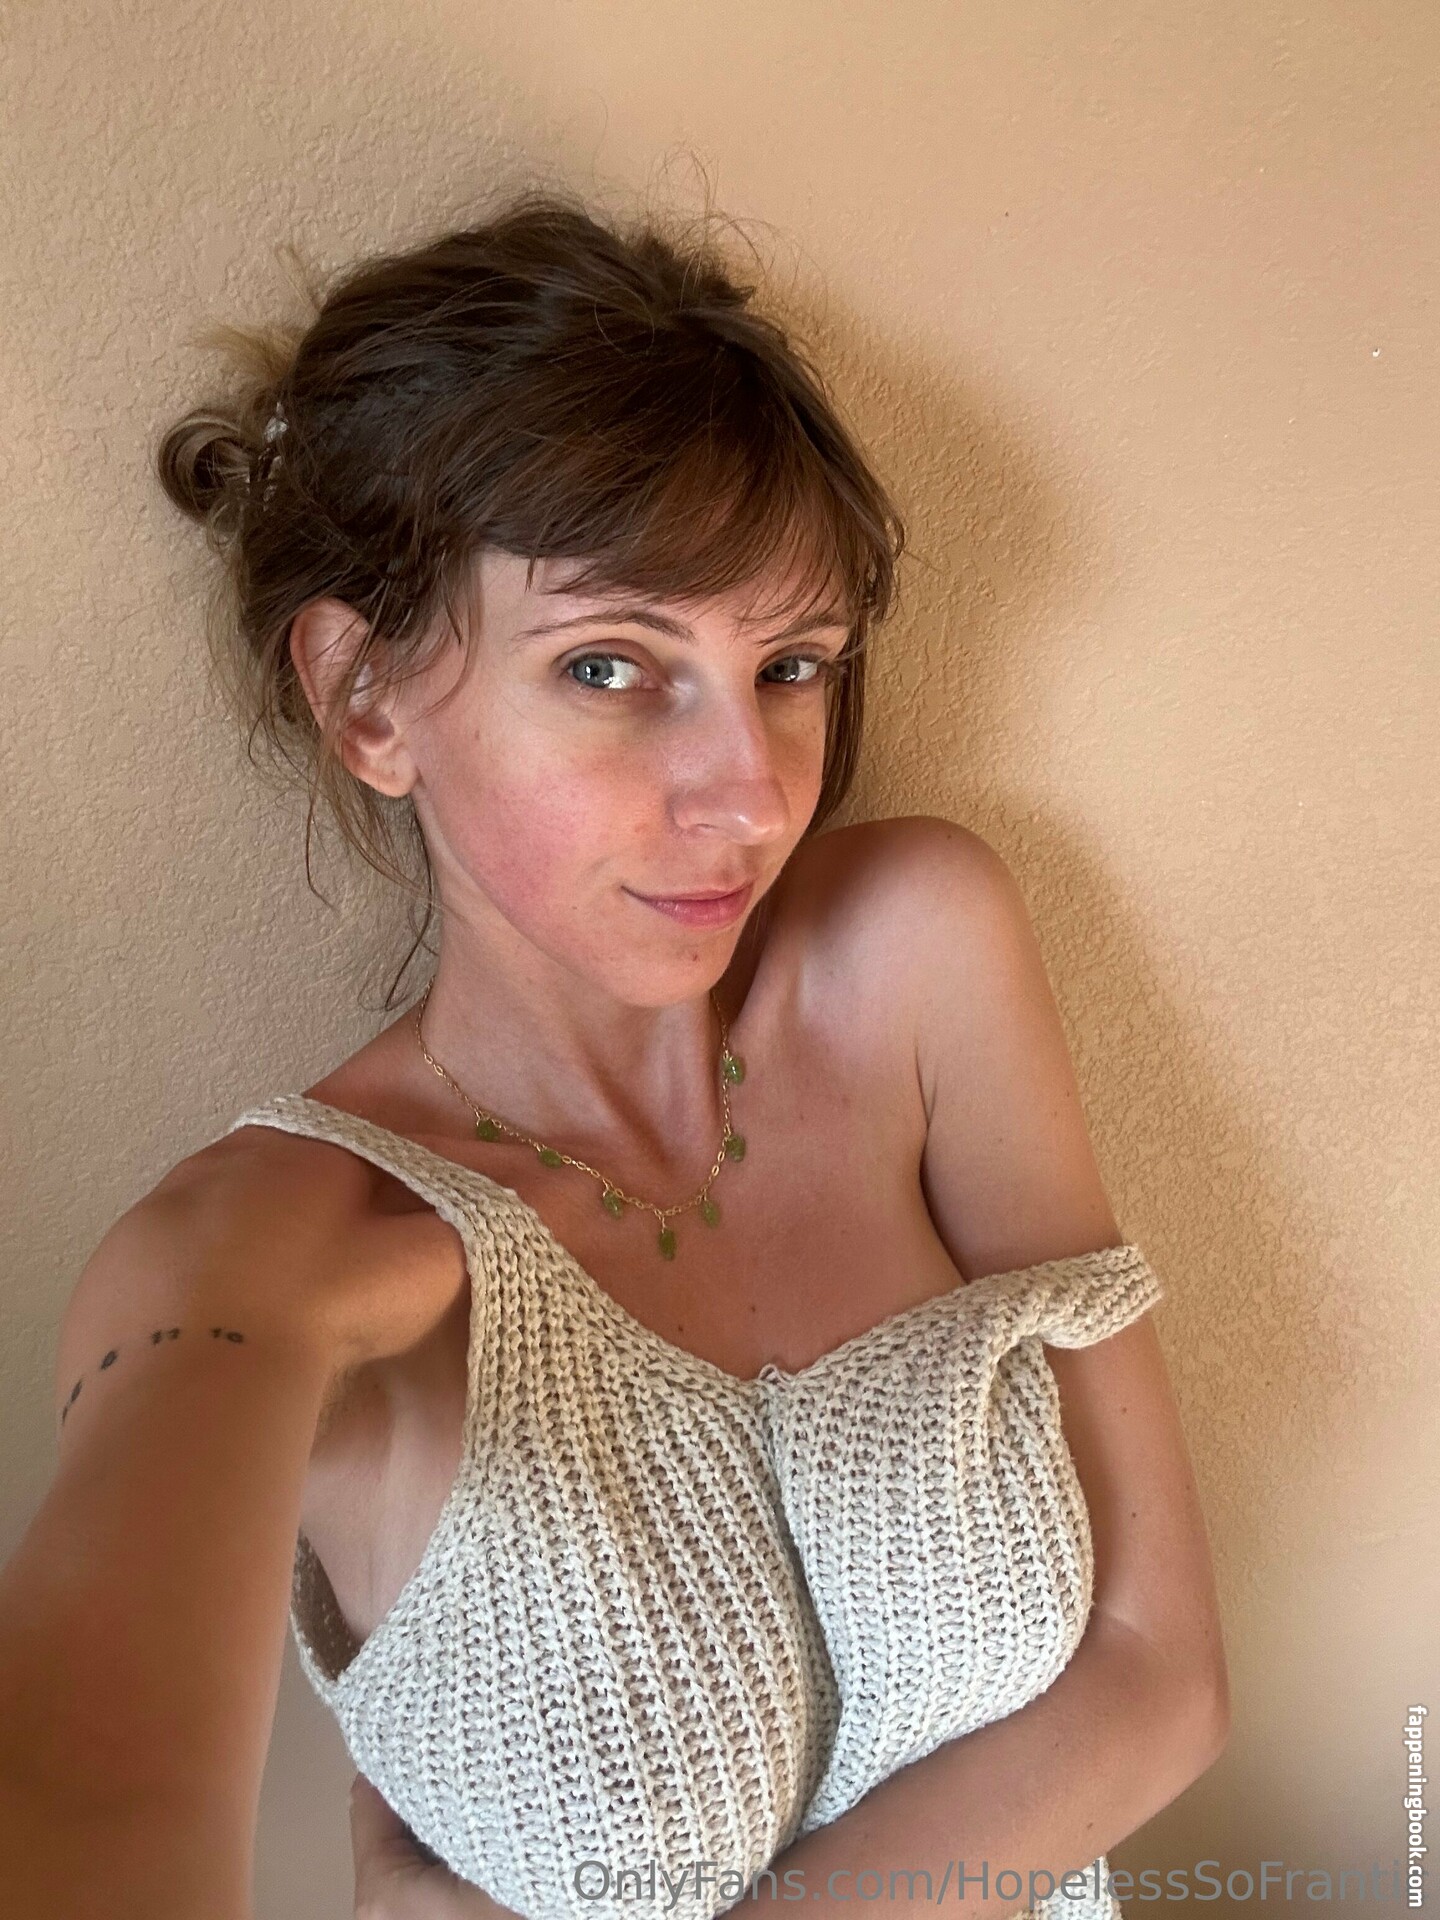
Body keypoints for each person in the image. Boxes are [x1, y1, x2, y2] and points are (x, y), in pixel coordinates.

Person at [0, 185, 1228, 1920]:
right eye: (609, 667)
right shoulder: (282, 1251)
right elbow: (83, 1792)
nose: (753, 797)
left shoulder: (914, 960)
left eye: (790, 665)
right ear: (365, 697)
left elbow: (1163, 1674)